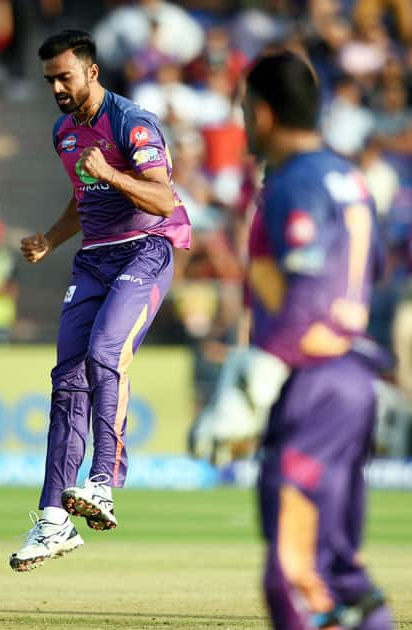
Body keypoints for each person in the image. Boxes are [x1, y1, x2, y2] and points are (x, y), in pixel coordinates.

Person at [9, 29, 190, 572]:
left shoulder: (130, 121)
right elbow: (82, 196)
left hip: (147, 251)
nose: (57, 88)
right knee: (67, 381)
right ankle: (52, 520)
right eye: (49, 81)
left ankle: (104, 484)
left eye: (64, 76)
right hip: (93, 258)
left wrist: (109, 171)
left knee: (105, 353)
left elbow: (163, 197)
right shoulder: (64, 131)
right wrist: (49, 238)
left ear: (90, 71)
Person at [242, 52, 394, 629]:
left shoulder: (295, 182)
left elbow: (307, 288)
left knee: (293, 573)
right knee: (337, 573)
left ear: (260, 113)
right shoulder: (346, 178)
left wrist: (263, 370)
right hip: (352, 377)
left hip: (313, 378)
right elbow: (371, 266)